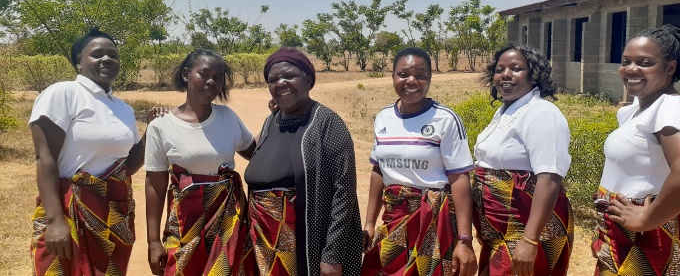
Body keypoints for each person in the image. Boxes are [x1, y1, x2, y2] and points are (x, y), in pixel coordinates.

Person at [29, 28, 160, 275]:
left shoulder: (124, 109)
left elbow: (127, 166)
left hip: (114, 215)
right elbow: (44, 158)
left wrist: (151, 130)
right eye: (97, 54)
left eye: (113, 54)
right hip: (69, 210)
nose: (107, 59)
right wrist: (56, 220)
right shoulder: (63, 94)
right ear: (79, 61)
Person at [592, 24, 680, 275]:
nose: (631, 69)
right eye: (626, 61)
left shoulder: (670, 108)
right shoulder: (640, 108)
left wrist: (647, 218)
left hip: (647, 239)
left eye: (645, 62)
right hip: (625, 234)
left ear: (670, 67)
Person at [244, 47, 362, 275]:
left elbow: (344, 193)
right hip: (263, 243)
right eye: (273, 79)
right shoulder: (271, 122)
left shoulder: (327, 123)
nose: (281, 83)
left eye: (289, 76)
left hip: (305, 246)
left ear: (308, 79)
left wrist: (332, 255)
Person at [361, 47, 477, 276]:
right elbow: (378, 170)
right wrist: (369, 223)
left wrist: (465, 240)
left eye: (421, 75)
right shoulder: (383, 118)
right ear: (393, 77)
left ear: (430, 79)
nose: (411, 80)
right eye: (403, 74)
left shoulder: (446, 119)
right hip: (394, 218)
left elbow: (460, 178)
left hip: (433, 222)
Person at [144, 49, 257, 275]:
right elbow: (155, 185)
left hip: (229, 223)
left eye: (218, 76)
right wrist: (154, 241)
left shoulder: (228, 117)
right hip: (185, 224)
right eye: (204, 74)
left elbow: (256, 154)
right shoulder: (161, 125)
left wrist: (280, 117)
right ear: (186, 74)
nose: (211, 81)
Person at [472, 44, 574, 276]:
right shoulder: (507, 112)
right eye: (500, 69)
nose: (506, 74)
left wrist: (529, 239)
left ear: (534, 74)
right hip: (500, 233)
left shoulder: (542, 113)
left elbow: (550, 176)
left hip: (524, 230)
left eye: (516, 68)